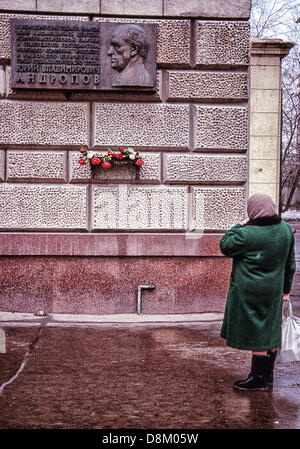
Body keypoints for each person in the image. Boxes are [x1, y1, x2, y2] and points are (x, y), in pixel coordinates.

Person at [220, 193, 296, 391]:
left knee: (258, 331)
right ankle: (267, 374)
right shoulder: (286, 230)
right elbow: (290, 265)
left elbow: (225, 245)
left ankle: (257, 378)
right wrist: (286, 289)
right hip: (274, 290)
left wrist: (239, 224)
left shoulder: (247, 233)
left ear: (252, 211)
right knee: (270, 327)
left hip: (250, 290)